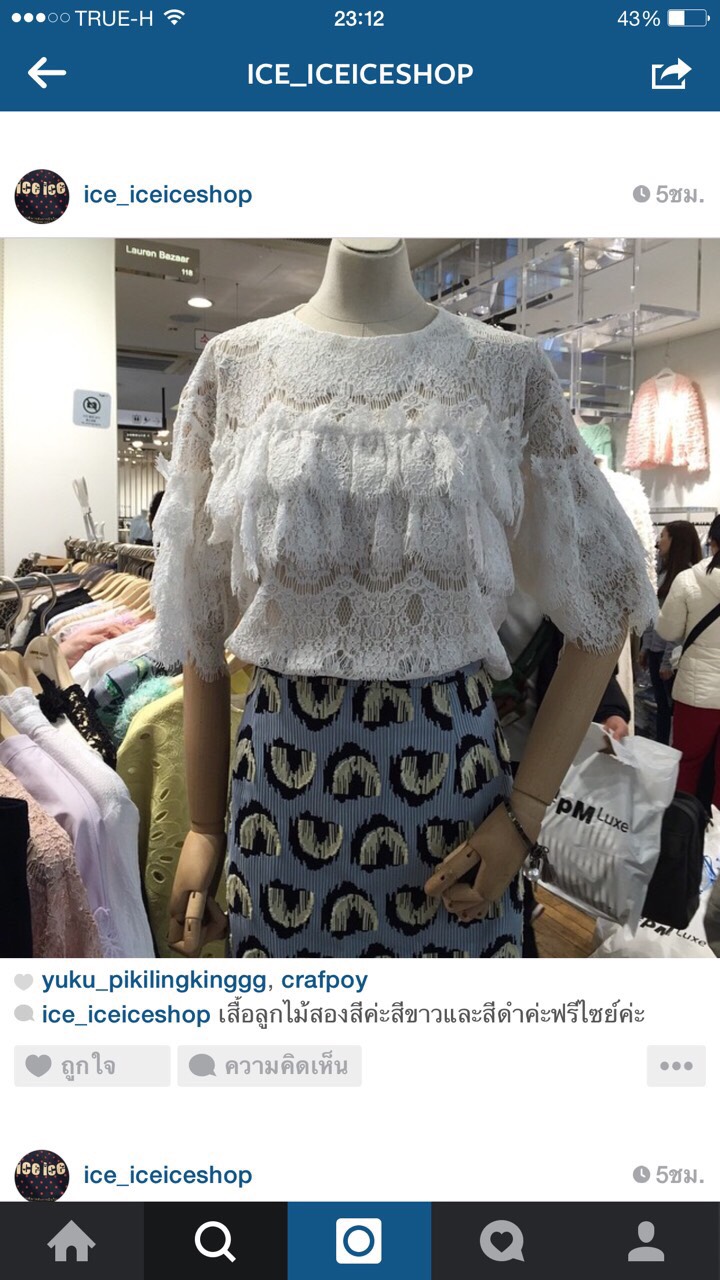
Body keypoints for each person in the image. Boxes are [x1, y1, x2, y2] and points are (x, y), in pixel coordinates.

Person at [657, 515, 720, 807]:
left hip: (697, 690)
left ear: (712, 540)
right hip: (701, 689)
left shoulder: (688, 579)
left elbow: (668, 631)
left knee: (687, 764)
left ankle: (681, 827)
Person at [640, 520, 702, 745]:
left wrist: (667, 661)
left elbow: (680, 626)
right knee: (661, 708)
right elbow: (653, 614)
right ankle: (662, 751)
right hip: (656, 650)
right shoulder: (663, 573)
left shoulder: (687, 577)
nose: (659, 541)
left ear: (675, 540)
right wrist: (646, 648)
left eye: (664, 535)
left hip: (671, 657)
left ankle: (669, 752)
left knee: (670, 710)